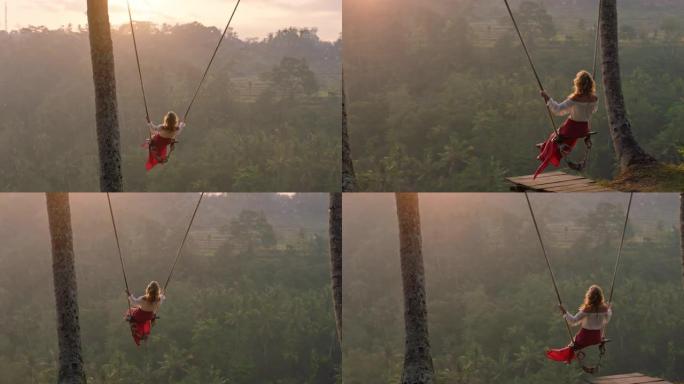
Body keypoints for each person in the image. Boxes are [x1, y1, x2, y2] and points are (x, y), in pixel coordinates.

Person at [534, 70, 599, 178]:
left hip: (571, 128)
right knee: (557, 137)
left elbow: (558, 110)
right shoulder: (595, 98)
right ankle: (545, 145)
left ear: (578, 84)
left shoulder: (575, 98)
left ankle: (545, 150)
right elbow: (594, 110)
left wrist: (547, 98)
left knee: (556, 137)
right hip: (583, 129)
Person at [546, 285, 612, 364]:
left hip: (584, 338)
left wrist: (564, 311)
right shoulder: (604, 308)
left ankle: (567, 358)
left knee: (572, 346)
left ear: (589, 296)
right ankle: (568, 358)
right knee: (573, 346)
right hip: (596, 338)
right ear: (601, 296)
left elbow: (573, 321)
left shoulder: (587, 309)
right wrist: (609, 308)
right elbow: (607, 319)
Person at [125, 281, 165, 346]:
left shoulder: (143, 299)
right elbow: (162, 299)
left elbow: (134, 302)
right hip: (148, 317)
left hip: (138, 316)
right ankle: (144, 333)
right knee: (143, 317)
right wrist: (162, 294)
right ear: (158, 291)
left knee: (131, 311)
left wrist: (129, 295)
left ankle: (136, 331)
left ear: (148, 289)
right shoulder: (158, 300)